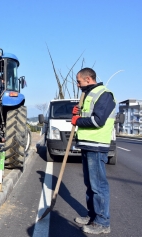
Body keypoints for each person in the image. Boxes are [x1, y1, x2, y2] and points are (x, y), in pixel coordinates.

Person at [72, 67, 116, 234]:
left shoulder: (104, 94)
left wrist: (78, 120)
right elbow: (87, 115)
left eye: (79, 81)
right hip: (87, 144)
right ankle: (92, 216)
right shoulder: (89, 94)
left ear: (88, 79)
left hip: (97, 145)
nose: (77, 85)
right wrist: (78, 113)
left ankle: (103, 222)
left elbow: (98, 121)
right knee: (90, 184)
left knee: (98, 185)